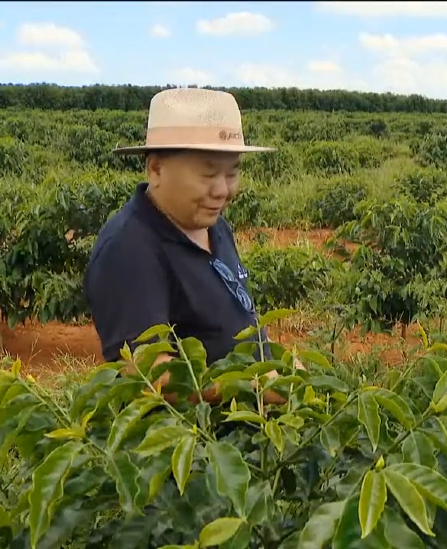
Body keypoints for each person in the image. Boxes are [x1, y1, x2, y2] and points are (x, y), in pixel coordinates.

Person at [84, 87, 302, 404]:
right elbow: (147, 372)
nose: (223, 191)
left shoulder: (214, 225)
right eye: (208, 174)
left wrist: (279, 365)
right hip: (191, 446)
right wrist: (249, 387)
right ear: (156, 168)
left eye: (232, 173)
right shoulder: (130, 248)